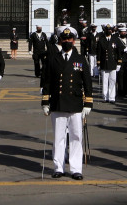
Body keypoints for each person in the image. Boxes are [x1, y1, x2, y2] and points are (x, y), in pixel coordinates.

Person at [42, 25, 92, 180]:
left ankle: (76, 169)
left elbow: (87, 82)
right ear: (60, 40)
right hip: (58, 103)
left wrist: (88, 103)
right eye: (64, 39)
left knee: (76, 137)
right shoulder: (53, 58)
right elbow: (47, 81)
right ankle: (58, 167)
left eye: (70, 39)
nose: (67, 41)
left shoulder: (80, 59)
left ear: (74, 40)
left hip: (75, 104)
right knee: (58, 137)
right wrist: (45, 101)